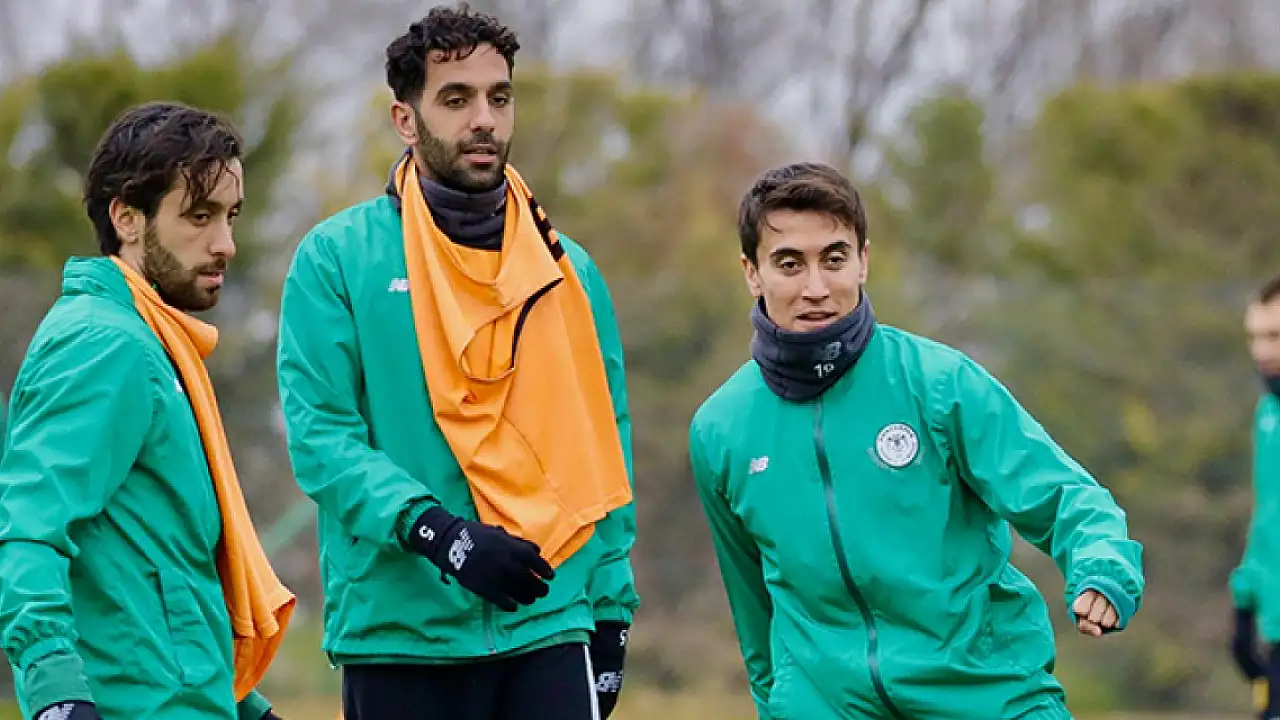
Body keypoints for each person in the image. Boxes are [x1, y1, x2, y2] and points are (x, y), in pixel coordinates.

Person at [275, 5, 638, 719]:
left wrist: (611, 607)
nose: (484, 120)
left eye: (499, 98)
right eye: (456, 99)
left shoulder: (570, 271)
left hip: (549, 623)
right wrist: (440, 534)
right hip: (401, 636)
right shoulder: (337, 259)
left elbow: (606, 442)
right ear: (405, 120)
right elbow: (321, 441)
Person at [688, 161, 1146, 719]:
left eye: (834, 259)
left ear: (863, 261)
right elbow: (753, 612)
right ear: (752, 273)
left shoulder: (940, 384)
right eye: (789, 264)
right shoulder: (721, 429)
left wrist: (1101, 566)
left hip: (987, 694)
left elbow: (1064, 495)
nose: (816, 288)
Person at [0, 101, 295, 720]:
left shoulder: (154, 343)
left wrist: (248, 707)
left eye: (231, 216)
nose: (225, 244)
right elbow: (28, 528)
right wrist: (56, 694)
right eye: (199, 216)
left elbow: (163, 565)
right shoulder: (104, 344)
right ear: (127, 218)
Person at [1230, 272, 1280, 720]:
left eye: (1275, 336)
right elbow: (1268, 516)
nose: (1261, 350)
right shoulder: (1268, 414)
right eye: (1255, 336)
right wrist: (1244, 603)